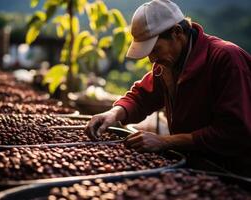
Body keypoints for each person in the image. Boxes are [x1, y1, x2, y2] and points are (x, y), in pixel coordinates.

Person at [85, 0, 251, 177]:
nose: (152, 59)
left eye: (155, 49)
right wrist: (113, 114)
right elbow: (142, 96)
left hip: (234, 172)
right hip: (196, 166)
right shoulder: (169, 64)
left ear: (177, 33)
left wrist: (165, 141)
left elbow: (234, 132)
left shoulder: (227, 60)